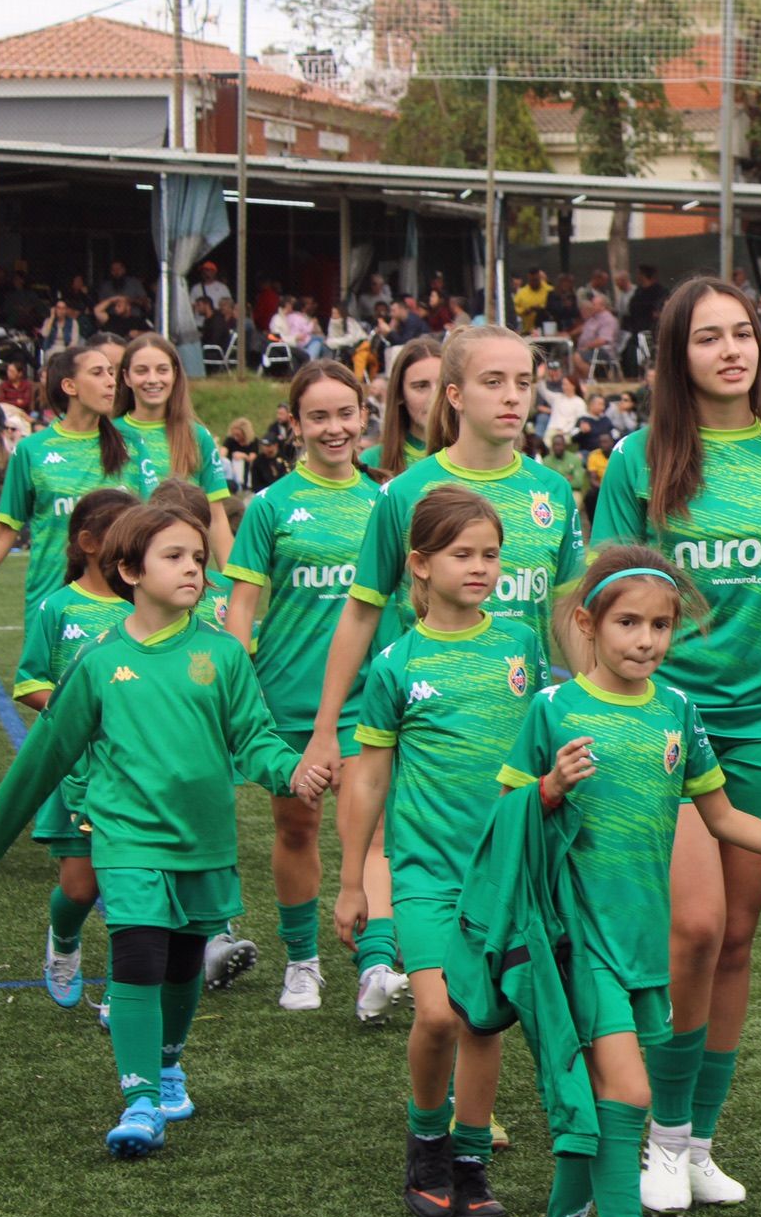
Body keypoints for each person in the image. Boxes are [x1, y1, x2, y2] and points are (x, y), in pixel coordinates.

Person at [508, 543, 761, 1217]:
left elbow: (721, 817)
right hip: (580, 940)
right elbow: (504, 818)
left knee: (602, 1110)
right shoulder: (555, 710)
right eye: (629, 623)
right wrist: (549, 789)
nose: (646, 640)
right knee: (627, 1091)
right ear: (586, 624)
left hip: (642, 946)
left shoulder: (678, 711)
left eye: (661, 626)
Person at [0, 500, 332, 1156]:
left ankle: (166, 1063)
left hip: (203, 841)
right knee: (137, 957)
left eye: (197, 557)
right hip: (126, 839)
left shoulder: (222, 654)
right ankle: (138, 1102)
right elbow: (47, 753)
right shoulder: (100, 663)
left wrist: (292, 773)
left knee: (185, 963)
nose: (193, 568)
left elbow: (255, 739)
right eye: (174, 557)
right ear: (129, 569)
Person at [588, 276, 761, 1212]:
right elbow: (599, 593)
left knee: (733, 940)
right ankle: (655, 1135)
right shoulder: (637, 460)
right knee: (689, 930)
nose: (732, 351)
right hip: (665, 715)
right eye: (708, 338)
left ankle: (691, 1142)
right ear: (675, 356)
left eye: (745, 334)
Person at [294, 325, 588, 1011]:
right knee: (426, 867)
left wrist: (592, 702)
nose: (514, 396)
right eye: (494, 382)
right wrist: (324, 727)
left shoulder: (553, 492)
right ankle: (403, 975)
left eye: (524, 381)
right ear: (453, 395)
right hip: (433, 719)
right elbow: (362, 612)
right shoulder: (406, 494)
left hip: (525, 726)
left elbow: (569, 616)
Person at [332, 486, 535, 1217]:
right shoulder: (395, 664)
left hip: (504, 875)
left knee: (483, 1017)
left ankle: (471, 1157)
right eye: (462, 554)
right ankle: (426, 1141)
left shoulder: (521, 645)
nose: (480, 567)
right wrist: (354, 880)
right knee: (441, 1013)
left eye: (490, 554)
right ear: (419, 563)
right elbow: (370, 777)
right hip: (422, 872)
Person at [218, 362, 389, 1016]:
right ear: (296, 423)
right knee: (296, 827)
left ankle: (375, 963)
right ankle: (303, 963)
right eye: (318, 416)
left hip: (368, 697)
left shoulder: (386, 503)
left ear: (363, 415)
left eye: (345, 413)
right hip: (287, 696)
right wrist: (235, 685)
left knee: (370, 835)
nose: (334, 427)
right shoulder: (271, 506)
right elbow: (240, 604)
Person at [9, 489, 138, 1004]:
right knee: (81, 888)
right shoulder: (58, 607)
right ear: (88, 543)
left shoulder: (143, 606)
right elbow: (28, 682)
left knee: (133, 885)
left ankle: (128, 991)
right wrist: (82, 711)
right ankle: (64, 940)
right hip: (76, 769)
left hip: (134, 769)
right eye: (123, 536)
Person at [0, 343, 138, 654]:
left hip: (123, 606)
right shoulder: (32, 450)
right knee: (46, 698)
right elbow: (5, 530)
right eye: (98, 372)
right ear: (69, 385)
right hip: (51, 603)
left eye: (112, 373)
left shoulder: (132, 447)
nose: (110, 381)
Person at [112, 334, 233, 567]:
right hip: (124, 568)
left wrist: (232, 585)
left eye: (162, 370)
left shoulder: (197, 436)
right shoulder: (109, 434)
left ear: (175, 374)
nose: (152, 379)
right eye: (142, 371)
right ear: (126, 377)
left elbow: (217, 518)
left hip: (183, 571)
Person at [365, 335, 442, 476]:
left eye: (442, 385)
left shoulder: (476, 458)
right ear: (400, 393)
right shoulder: (371, 462)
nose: (434, 397)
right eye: (421, 386)